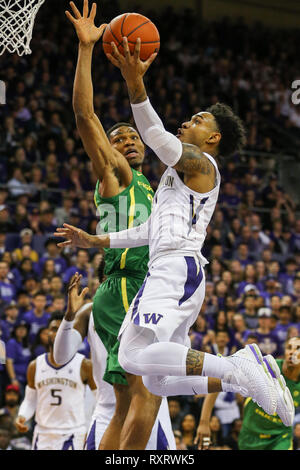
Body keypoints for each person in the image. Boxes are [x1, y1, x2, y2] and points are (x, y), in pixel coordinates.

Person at [54, 33, 293, 429]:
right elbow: (150, 228)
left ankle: (239, 369)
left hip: (175, 269)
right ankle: (239, 376)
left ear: (212, 139)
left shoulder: (202, 164)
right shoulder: (174, 179)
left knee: (131, 358)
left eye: (198, 121)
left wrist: (134, 80)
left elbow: (155, 136)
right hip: (172, 269)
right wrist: (98, 240)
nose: (188, 122)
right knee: (156, 378)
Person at [64, 0, 164, 451]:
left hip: (134, 288)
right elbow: (86, 117)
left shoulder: (150, 186)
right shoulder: (116, 176)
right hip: (125, 285)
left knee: (124, 406)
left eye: (132, 136)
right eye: (118, 138)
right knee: (149, 392)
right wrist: (87, 50)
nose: (127, 141)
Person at [54, 273, 175, 450]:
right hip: (108, 409)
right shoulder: (90, 311)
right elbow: (60, 358)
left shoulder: (154, 309)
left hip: (151, 409)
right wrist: (70, 316)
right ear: (104, 282)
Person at [196, 336, 300, 450]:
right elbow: (218, 381)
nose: (292, 352)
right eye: (289, 347)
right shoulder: (269, 366)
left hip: (279, 439)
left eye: (298, 348)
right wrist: (204, 422)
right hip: (250, 436)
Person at [15, 312, 96, 450]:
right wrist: (22, 415)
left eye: (63, 329)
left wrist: (89, 426)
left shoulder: (84, 365)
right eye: (54, 329)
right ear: (47, 334)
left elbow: (98, 398)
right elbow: (30, 400)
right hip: (42, 433)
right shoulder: (35, 365)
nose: (58, 332)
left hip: (72, 433)